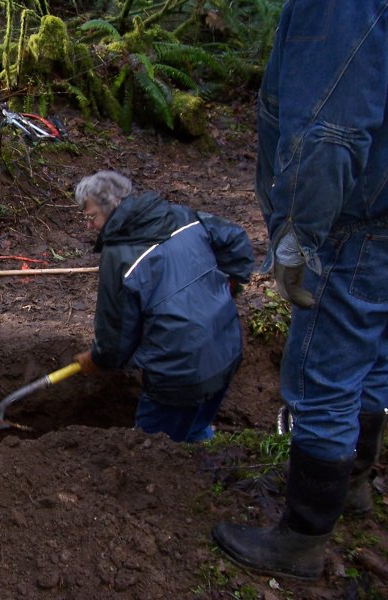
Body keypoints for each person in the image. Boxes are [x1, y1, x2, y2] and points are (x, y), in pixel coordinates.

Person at [211, 1, 388, 580]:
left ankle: (302, 539)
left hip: (357, 217)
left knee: (324, 371)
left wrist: (297, 235)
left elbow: (327, 132)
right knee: (374, 348)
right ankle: (353, 484)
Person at [72, 170, 254, 443]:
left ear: (110, 208)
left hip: (176, 372)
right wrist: (228, 289)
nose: (89, 226)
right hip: (225, 348)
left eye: (91, 217)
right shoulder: (180, 216)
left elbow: (116, 334)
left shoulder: (119, 254)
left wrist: (98, 358)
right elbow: (236, 240)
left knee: (151, 452)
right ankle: (203, 467)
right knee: (195, 430)